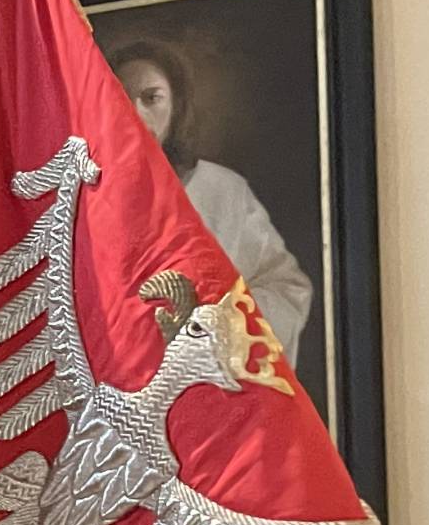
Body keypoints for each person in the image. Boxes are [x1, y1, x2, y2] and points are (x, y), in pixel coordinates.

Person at [111, 40, 315, 357]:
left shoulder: (222, 191)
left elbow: (285, 289)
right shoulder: (89, 192)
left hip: (208, 367)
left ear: (176, 105)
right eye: (122, 98)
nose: (137, 113)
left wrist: (223, 321)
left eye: (152, 98)